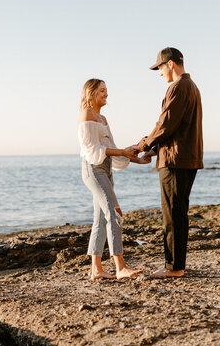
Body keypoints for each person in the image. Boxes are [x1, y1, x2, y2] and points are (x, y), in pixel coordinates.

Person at [136, 47, 203, 278]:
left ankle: (173, 268)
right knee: (179, 213)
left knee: (172, 214)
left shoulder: (178, 87)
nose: (159, 72)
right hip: (185, 157)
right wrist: (156, 148)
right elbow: (176, 127)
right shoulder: (191, 87)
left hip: (175, 161)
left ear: (171, 64)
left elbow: (165, 124)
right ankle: (177, 265)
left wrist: (143, 144)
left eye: (160, 67)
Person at [78, 78, 150, 280]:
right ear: (91, 93)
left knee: (100, 219)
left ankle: (96, 270)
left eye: (106, 90)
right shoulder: (86, 115)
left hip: (106, 169)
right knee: (115, 213)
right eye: (102, 90)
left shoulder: (103, 119)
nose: (106, 94)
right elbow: (92, 149)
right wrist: (123, 151)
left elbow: (115, 153)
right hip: (93, 170)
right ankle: (120, 267)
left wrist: (139, 158)